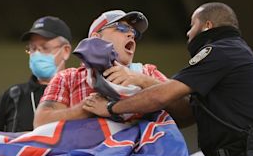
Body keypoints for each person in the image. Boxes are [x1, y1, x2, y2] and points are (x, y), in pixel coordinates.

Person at [83, 2, 253, 156]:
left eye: (192, 25)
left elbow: (165, 97)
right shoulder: (232, 49)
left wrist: (111, 107)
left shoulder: (220, 52)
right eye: (122, 29)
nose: (188, 32)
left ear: (207, 26)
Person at [33, 9, 190, 127]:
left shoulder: (147, 72)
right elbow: (41, 122)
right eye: (121, 28)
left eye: (134, 32)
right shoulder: (68, 77)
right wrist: (84, 110)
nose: (131, 35)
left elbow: (187, 115)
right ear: (96, 38)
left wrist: (141, 81)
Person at [0, 16, 72, 132]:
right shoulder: (14, 95)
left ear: (65, 51)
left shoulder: (78, 92)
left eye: (45, 48)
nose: (37, 54)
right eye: (33, 48)